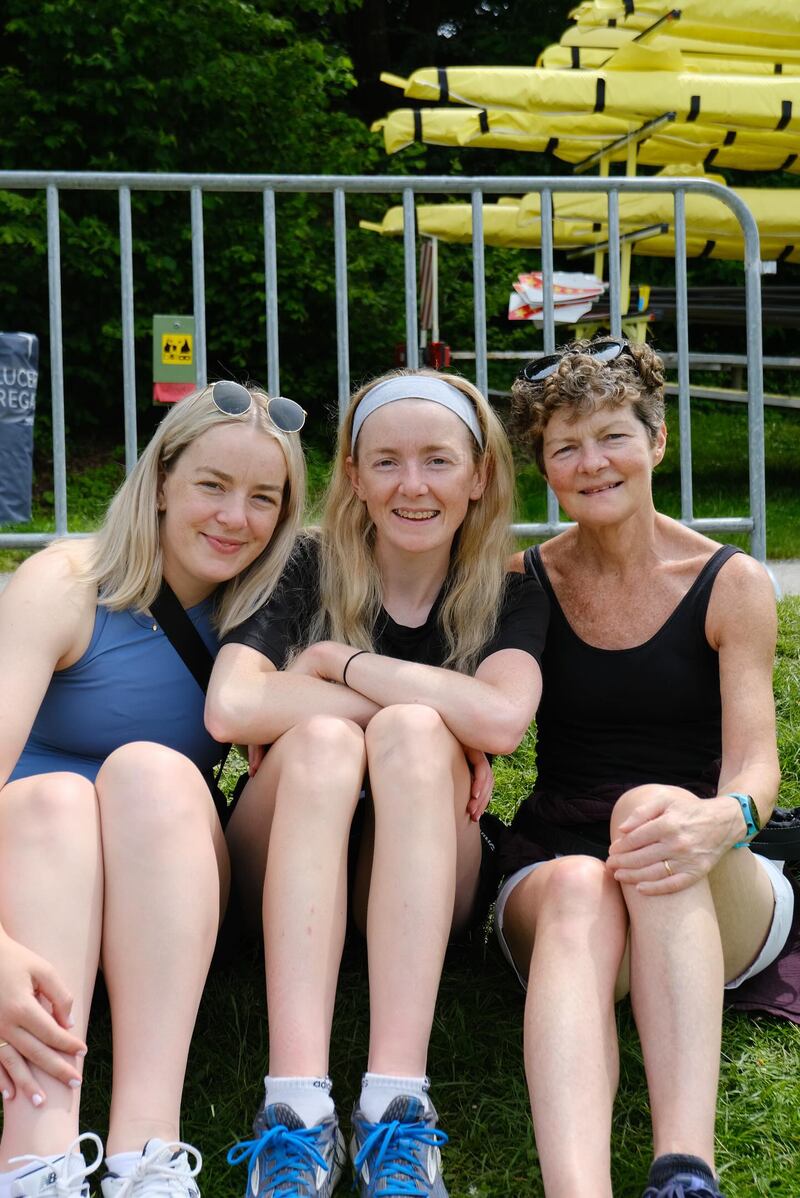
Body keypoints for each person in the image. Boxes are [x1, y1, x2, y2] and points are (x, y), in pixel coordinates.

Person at [206, 368, 548, 1198]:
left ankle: (397, 1103)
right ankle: (294, 1111)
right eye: (386, 462)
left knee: (412, 731)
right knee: (330, 742)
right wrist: (407, 709)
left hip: (431, 877)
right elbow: (231, 706)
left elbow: (501, 722)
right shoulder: (305, 565)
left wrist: (339, 664)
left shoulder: (511, 589)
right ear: (353, 476)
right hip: (282, 863)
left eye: (437, 460)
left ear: (479, 476)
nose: (413, 485)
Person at [492, 337, 797, 1198]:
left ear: (657, 441)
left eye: (612, 437)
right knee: (590, 879)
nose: (592, 463)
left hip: (706, 866)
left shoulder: (730, 583)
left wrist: (721, 819)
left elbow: (755, 767)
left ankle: (683, 1170)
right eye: (565, 447)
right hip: (566, 871)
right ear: (545, 467)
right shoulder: (527, 582)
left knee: (656, 814)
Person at [0, 381, 306, 1198]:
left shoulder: (270, 611)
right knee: (53, 798)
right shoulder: (64, 584)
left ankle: (148, 1151)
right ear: (162, 480)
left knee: (151, 771)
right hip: (31, 893)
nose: (235, 518)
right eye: (212, 484)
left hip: (164, 883)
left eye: (263, 497)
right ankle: (36, 1159)